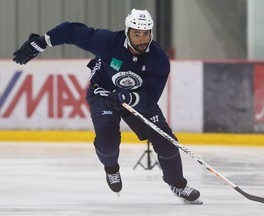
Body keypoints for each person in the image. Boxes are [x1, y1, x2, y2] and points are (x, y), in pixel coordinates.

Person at [13, 9, 202, 204]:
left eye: (146, 33)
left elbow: (151, 95)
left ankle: (178, 185)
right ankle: (111, 169)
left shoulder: (158, 58)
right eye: (136, 33)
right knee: (107, 143)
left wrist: (130, 97)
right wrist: (42, 41)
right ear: (127, 32)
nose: (142, 39)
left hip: (136, 99)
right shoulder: (108, 41)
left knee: (167, 143)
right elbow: (71, 31)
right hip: (102, 93)